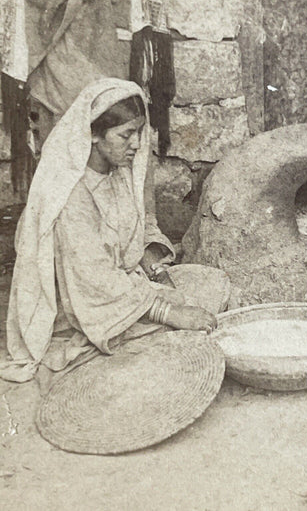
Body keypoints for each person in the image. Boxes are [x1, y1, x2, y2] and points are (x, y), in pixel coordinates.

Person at [1, 78, 221, 383]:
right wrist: (168, 313)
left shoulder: (117, 174)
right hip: (84, 308)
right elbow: (93, 282)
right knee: (179, 335)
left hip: (123, 288)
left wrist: (155, 268)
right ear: (93, 135)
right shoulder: (71, 199)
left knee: (212, 285)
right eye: (126, 135)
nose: (136, 144)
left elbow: (135, 230)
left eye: (139, 133)